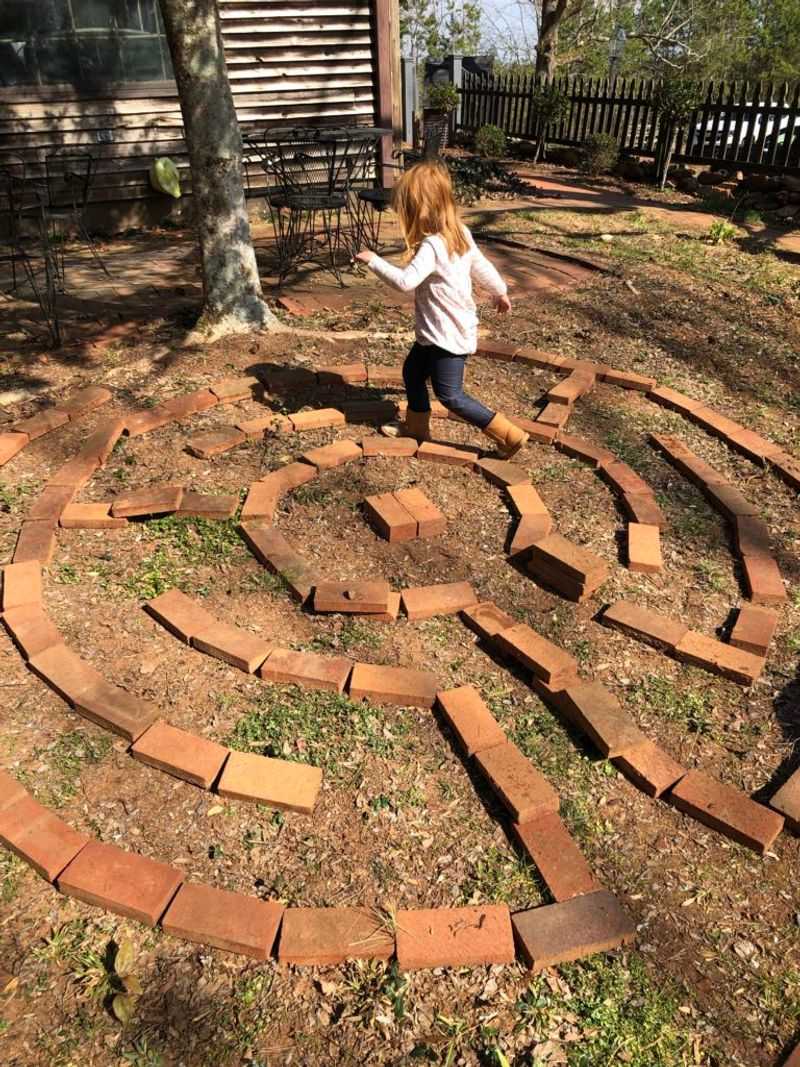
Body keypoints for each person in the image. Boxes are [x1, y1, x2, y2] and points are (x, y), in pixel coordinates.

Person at [355, 160, 528, 457]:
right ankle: (417, 427)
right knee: (412, 373)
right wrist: (500, 291)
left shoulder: (433, 245)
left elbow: (406, 282)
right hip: (435, 333)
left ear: (418, 208)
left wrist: (374, 260)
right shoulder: (458, 232)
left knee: (450, 395)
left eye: (405, 206)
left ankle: (509, 435)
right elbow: (481, 265)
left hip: (447, 336)